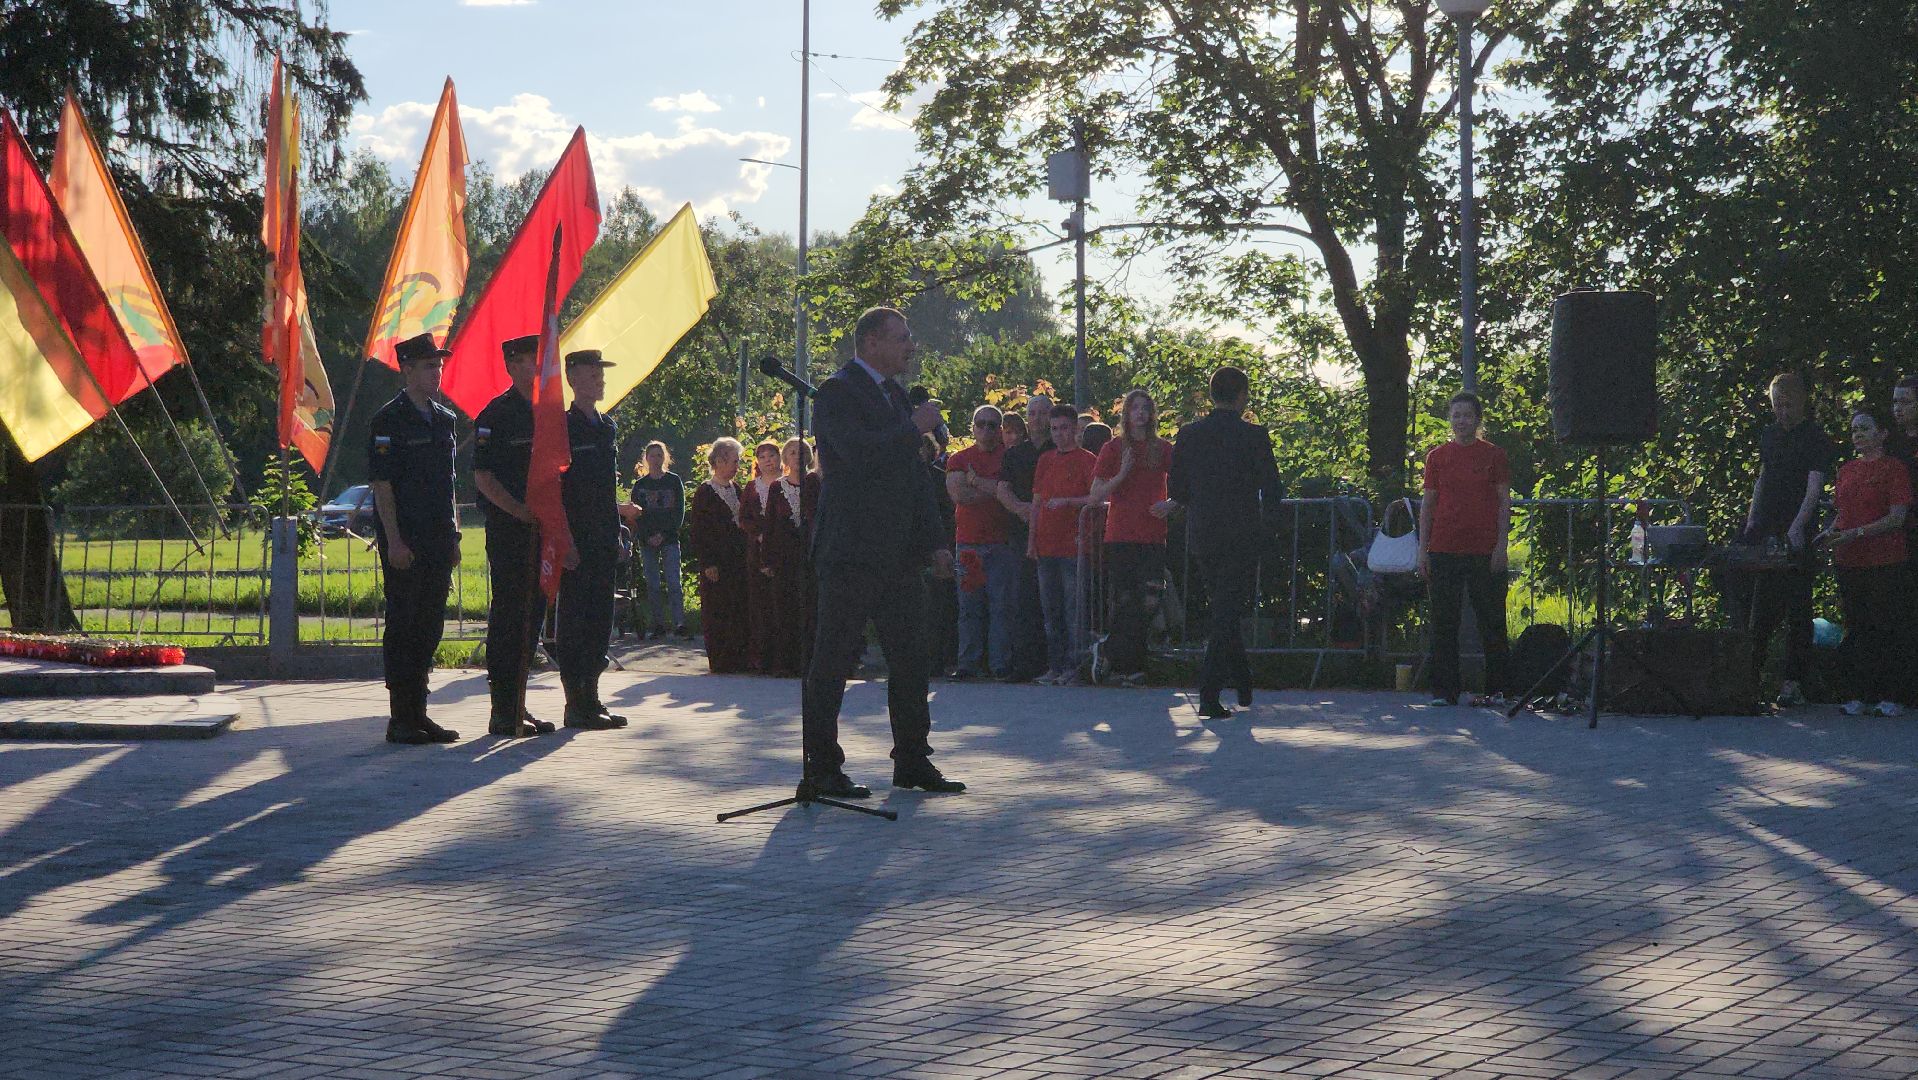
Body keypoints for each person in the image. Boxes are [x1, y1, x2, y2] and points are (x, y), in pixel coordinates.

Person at [801, 306, 965, 797]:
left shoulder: (894, 395)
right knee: (833, 660)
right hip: (851, 551)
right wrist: (912, 427)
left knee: (912, 659)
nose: (910, 346)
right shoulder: (837, 393)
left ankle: (912, 760)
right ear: (870, 342)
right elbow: (857, 455)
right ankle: (823, 767)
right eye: (901, 337)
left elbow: (915, 480)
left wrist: (936, 542)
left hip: (897, 554)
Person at [1167, 366, 1285, 719]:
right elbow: (1273, 489)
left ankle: (1244, 681)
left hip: (1204, 533)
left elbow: (1177, 490)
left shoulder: (1188, 435)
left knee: (1223, 609)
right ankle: (1209, 693)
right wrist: (1267, 529)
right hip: (1242, 534)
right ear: (1242, 396)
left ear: (1211, 394)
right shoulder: (1255, 436)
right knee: (1225, 611)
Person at [366, 333, 461, 745]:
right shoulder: (387, 421)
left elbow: (449, 485)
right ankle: (400, 715)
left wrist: (454, 535)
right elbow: (383, 487)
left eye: (438, 365)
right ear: (406, 371)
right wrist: (395, 541)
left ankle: (419, 711)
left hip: (438, 537)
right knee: (403, 624)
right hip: (405, 539)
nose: (436, 372)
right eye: (427, 366)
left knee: (430, 624)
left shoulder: (444, 419)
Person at [473, 334, 553, 738]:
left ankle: (518, 705)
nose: (532, 368)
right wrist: (517, 510)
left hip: (542, 532)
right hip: (510, 531)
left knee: (532, 618)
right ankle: (502, 708)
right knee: (509, 618)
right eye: (524, 362)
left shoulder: (547, 411)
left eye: (536, 361)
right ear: (510, 366)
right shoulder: (497, 415)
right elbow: (483, 476)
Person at [1740, 372, 1836, 707]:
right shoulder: (1769, 435)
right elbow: (1763, 478)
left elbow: (1815, 487)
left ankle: (1793, 681)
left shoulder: (1816, 438)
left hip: (1798, 529)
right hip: (1768, 529)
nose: (1782, 411)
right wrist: (1753, 519)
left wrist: (1798, 527)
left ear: (1802, 401)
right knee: (1762, 610)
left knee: (1798, 610)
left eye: (1788, 404)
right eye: (1777, 404)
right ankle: (1749, 681)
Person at [1415, 392, 1512, 707]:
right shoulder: (1437, 457)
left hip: (1484, 548)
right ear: (1450, 419)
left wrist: (1501, 545)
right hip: (1444, 546)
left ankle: (1499, 688)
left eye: (1467, 415)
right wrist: (1423, 550)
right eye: (1456, 415)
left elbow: (1503, 502)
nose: (1461, 421)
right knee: (1444, 621)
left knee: (1491, 619)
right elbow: (1428, 504)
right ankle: (1445, 690)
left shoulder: (1495, 455)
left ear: (1478, 420)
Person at [1816, 408, 1912, 716]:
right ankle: (1859, 693)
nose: (1858, 434)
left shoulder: (1894, 468)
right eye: (1854, 429)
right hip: (1849, 560)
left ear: (1882, 433)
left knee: (1886, 627)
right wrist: (1830, 532)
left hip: (1885, 560)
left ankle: (1891, 695)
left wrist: (1857, 533)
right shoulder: (1846, 470)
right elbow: (1843, 513)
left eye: (1865, 428)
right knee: (1856, 628)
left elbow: (1897, 518)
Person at [551, 350, 627, 731]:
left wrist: (616, 533)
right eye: (591, 374)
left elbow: (606, 487)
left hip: (601, 536)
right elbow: (558, 490)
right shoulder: (563, 427)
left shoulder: (606, 426)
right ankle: (574, 701)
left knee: (600, 618)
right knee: (575, 619)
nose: (599, 380)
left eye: (601, 374)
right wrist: (564, 539)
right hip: (576, 538)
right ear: (572, 379)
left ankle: (592, 696)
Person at [1088, 389, 1176, 688]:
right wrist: (1122, 473)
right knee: (1126, 600)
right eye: (1134, 408)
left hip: (1153, 534)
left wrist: (1171, 504)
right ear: (1126, 414)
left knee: (1150, 598)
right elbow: (1096, 494)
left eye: (1145, 408)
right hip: (1122, 533)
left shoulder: (1163, 448)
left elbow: (1183, 483)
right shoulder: (1114, 448)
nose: (1140, 413)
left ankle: (1110, 649)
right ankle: (1130, 667)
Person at [945, 405, 1017, 679]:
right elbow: (960, 495)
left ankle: (1000, 664)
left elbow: (1013, 491)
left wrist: (978, 482)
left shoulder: (1010, 458)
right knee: (969, 607)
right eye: (981, 424)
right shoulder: (960, 459)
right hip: (969, 544)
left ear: (1000, 429)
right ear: (972, 428)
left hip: (1001, 543)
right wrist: (996, 489)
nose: (986, 430)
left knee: (1002, 607)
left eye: (992, 425)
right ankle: (968, 664)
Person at [1029, 403, 1099, 685]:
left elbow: (1094, 499)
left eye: (1064, 428)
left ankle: (1076, 667)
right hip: (1046, 545)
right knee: (1051, 611)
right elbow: (1036, 502)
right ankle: (1055, 666)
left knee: (1074, 610)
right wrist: (1031, 540)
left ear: (1075, 430)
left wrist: (1069, 503)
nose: (1059, 434)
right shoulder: (1045, 460)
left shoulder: (1087, 460)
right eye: (1054, 429)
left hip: (1074, 547)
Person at [995, 394, 1054, 682]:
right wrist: (1019, 509)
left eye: (1044, 413)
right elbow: (1002, 489)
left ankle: (1056, 663)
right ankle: (1023, 664)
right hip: (1021, 535)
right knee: (1023, 600)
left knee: (1054, 601)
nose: (1038, 418)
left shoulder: (1063, 450)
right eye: (1033, 413)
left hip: (1058, 536)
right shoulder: (1015, 454)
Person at [689, 438, 751, 673]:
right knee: (718, 610)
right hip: (717, 563)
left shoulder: (737, 489)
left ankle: (739, 658)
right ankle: (721, 659)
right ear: (719, 461)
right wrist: (708, 563)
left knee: (738, 608)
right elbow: (699, 531)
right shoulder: (705, 492)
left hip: (738, 560)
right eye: (733, 461)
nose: (736, 466)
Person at [758, 437, 815, 678]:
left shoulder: (814, 483)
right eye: (792, 452)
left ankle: (810, 661)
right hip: (783, 558)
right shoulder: (776, 488)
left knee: (810, 608)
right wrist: (767, 559)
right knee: (784, 609)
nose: (797, 456)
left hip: (809, 556)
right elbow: (770, 524)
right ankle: (785, 662)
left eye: (801, 451)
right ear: (785, 458)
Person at [626, 441, 687, 639]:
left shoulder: (673, 481)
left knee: (673, 582)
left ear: (665, 458)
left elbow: (679, 512)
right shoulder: (641, 485)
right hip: (647, 540)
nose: (655, 459)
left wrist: (665, 534)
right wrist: (647, 536)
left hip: (669, 538)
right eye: (652, 455)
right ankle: (658, 624)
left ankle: (679, 623)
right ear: (646, 459)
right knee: (652, 584)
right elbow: (634, 514)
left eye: (659, 455)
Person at [739, 439, 783, 673]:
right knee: (760, 604)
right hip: (757, 550)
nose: (768, 461)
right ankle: (761, 658)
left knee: (782, 602)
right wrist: (758, 534)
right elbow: (744, 517)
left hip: (783, 551)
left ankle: (783, 655)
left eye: (772, 455)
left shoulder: (789, 483)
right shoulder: (752, 487)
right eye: (763, 457)